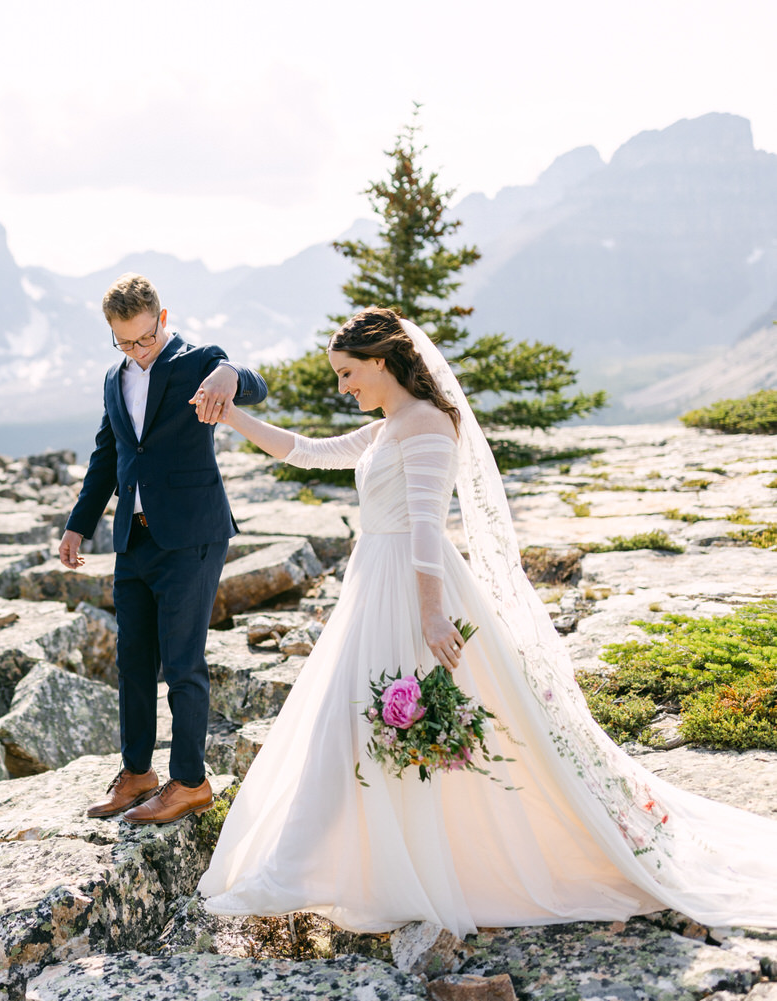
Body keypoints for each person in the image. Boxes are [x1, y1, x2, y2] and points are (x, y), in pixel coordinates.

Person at [197, 306, 777, 936]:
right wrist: (232, 418)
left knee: (395, 726)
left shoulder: (426, 426)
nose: (343, 388)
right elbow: (304, 451)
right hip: (373, 583)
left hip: (408, 589)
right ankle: (307, 867)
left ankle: (333, 868)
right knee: (350, 723)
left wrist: (430, 615)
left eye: (348, 373)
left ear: (384, 361)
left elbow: (426, 527)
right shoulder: (390, 423)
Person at [59, 273, 268, 824]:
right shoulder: (114, 378)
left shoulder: (199, 361)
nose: (136, 350)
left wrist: (228, 371)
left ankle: (190, 782)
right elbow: (109, 455)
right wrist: (79, 525)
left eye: (144, 339)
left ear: (163, 320)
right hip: (133, 538)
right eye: (124, 342)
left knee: (182, 664)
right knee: (133, 662)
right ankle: (137, 774)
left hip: (193, 537)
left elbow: (255, 383)